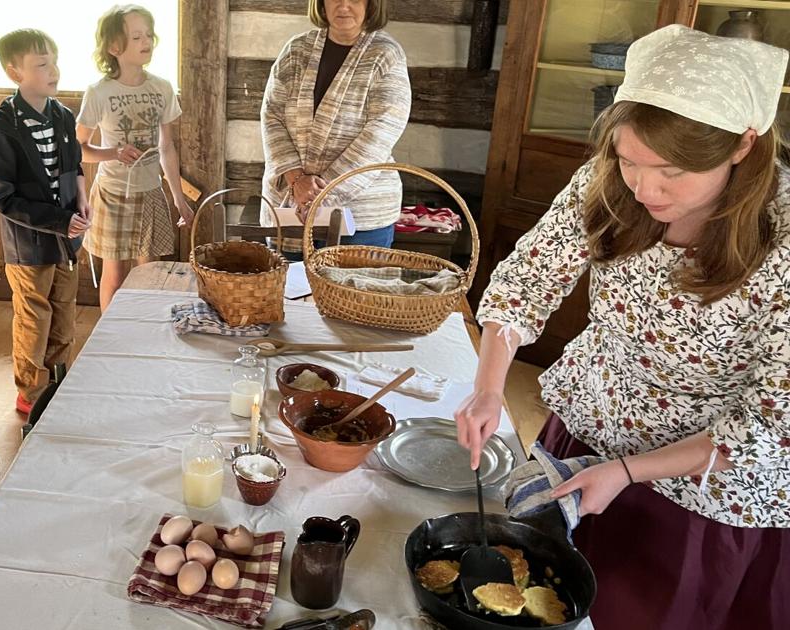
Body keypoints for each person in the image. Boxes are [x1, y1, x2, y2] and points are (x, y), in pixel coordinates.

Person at [456, 25, 790, 629]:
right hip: (590, 428)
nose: (644, 187)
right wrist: (488, 387)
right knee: (533, 596)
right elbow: (523, 286)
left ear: (742, 145)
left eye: (669, 171)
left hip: (705, 486)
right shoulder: (610, 182)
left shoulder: (784, 238)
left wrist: (630, 470)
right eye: (629, 161)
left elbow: (767, 427)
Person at [0, 29, 89, 416]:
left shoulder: (62, 115)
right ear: (15, 72)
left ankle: (60, 381)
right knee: (34, 316)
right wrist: (60, 219)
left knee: (64, 309)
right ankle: (30, 390)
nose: (53, 70)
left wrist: (83, 200)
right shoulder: (1, 127)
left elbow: (74, 166)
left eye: (54, 61)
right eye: (42, 64)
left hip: (67, 239)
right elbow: (2, 197)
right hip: (28, 246)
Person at [260, 0, 410, 254]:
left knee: (350, 293)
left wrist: (322, 191)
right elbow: (272, 116)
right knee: (286, 291)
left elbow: (381, 131)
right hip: (291, 208)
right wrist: (297, 180)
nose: (343, 5)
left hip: (360, 215)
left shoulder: (386, 55)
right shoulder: (296, 50)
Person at [77, 4, 194, 309]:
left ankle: (143, 338)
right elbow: (79, 149)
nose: (147, 42)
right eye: (137, 36)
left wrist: (179, 200)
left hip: (150, 194)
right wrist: (113, 153)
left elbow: (166, 147)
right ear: (114, 46)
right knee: (114, 277)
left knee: (149, 275)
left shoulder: (162, 88)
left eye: (150, 35)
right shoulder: (98, 92)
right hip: (113, 194)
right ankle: (110, 342)